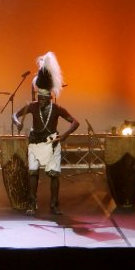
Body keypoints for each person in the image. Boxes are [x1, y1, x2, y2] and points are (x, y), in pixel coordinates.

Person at [13, 52, 79, 216]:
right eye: (40, 99)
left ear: (50, 97)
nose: (41, 102)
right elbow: (15, 115)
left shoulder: (56, 109)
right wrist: (18, 122)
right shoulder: (33, 106)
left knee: (54, 175)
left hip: (52, 143)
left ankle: (54, 205)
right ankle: (32, 202)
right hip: (35, 143)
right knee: (33, 173)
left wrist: (63, 136)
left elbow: (75, 122)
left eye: (45, 99)